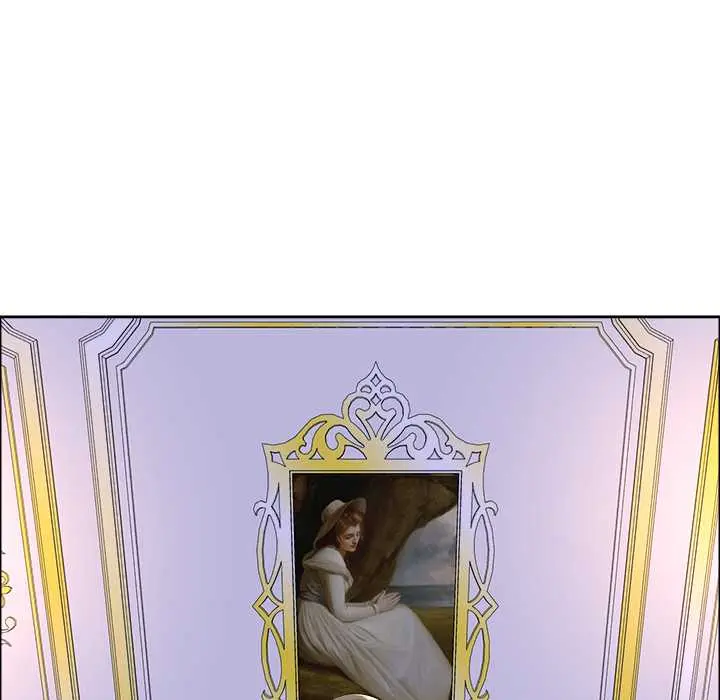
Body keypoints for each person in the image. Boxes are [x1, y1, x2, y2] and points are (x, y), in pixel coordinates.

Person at [297, 498, 452, 700]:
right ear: (335, 536)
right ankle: (431, 687)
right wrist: (377, 609)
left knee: (401, 616)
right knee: (402, 619)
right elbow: (340, 612)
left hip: (318, 617)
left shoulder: (331, 554)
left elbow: (334, 605)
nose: (355, 540)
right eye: (349, 536)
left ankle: (433, 683)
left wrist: (370, 605)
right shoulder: (330, 559)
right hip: (317, 627)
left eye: (357, 534)